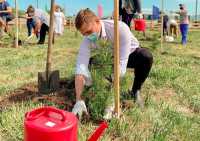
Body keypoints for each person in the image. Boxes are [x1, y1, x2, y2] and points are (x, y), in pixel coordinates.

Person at [72, 9, 153, 119]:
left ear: (97, 21)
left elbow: (121, 65)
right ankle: (95, 90)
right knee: (90, 64)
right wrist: (79, 99)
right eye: (83, 34)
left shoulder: (119, 29)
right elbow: (80, 69)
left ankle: (135, 91)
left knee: (146, 56)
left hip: (130, 54)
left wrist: (111, 100)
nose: (87, 36)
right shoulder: (87, 40)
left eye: (89, 32)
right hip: (108, 57)